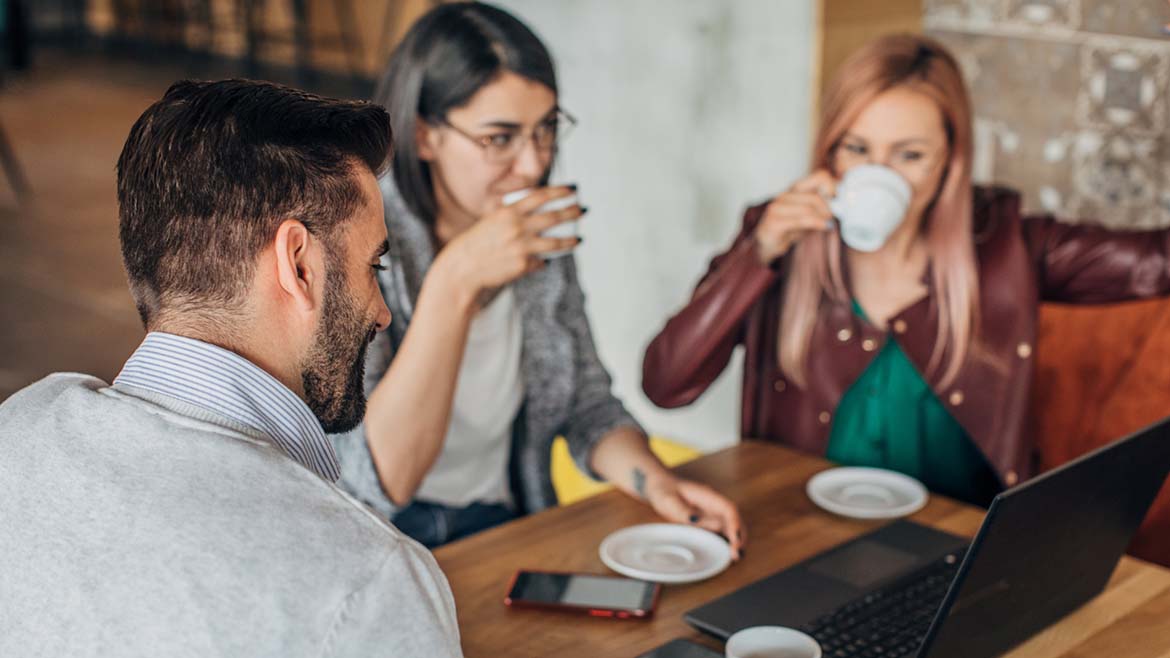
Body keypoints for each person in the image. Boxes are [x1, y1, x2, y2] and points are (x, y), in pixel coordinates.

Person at [0, 79, 462, 657]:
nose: (382, 312)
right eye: (376, 266)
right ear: (298, 263)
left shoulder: (14, 433)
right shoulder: (366, 580)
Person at [642, 34, 1170, 507]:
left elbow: (1156, 260)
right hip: (798, 544)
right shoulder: (778, 239)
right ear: (829, 151)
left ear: (949, 162)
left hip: (954, 558)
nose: (877, 175)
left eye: (910, 155)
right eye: (857, 149)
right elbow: (665, 384)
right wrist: (757, 254)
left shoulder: (1009, 245)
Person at [329, 2, 745, 554]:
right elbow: (381, 478)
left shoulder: (536, 234)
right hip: (383, 540)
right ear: (425, 134)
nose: (532, 165)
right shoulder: (360, 244)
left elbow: (588, 405)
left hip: (509, 519)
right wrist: (454, 283)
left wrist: (659, 482)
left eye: (545, 130)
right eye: (499, 138)